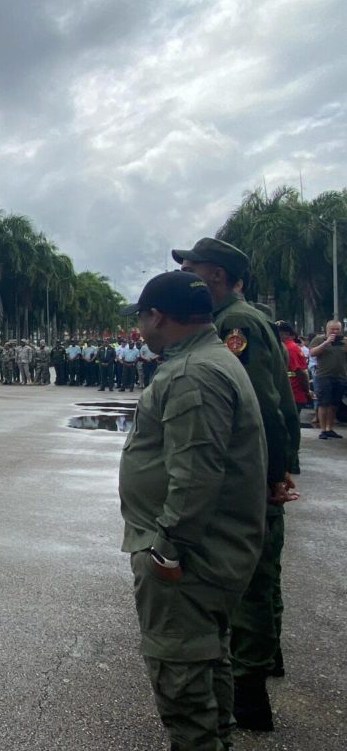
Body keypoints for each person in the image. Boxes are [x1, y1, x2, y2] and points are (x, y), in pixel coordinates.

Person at [118, 271, 267, 750]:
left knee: (182, 679)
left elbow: (195, 473)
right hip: (211, 549)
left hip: (191, 558)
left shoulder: (191, 373)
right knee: (207, 662)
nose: (140, 328)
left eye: (142, 318)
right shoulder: (211, 358)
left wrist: (167, 550)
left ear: (157, 316)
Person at [175, 236, 300, 730]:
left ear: (218, 276)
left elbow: (256, 404)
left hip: (248, 471)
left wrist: (269, 472)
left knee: (250, 578)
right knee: (263, 571)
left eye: (193, 268)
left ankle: (249, 691)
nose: (186, 275)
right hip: (261, 464)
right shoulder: (239, 317)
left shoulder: (235, 324)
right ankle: (266, 658)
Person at [308, 319, 346, 439]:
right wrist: (326, 342)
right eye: (332, 329)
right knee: (323, 403)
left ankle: (330, 428)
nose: (335, 332)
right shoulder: (319, 339)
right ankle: (323, 429)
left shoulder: (344, 342)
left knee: (334, 404)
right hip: (323, 376)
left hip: (340, 376)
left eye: (337, 329)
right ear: (326, 329)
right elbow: (312, 353)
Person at [278, 322, 311, 419]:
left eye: (278, 332)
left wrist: (307, 390)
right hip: (287, 391)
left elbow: (300, 372)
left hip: (293, 391)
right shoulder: (284, 346)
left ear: (286, 334)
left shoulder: (290, 348)